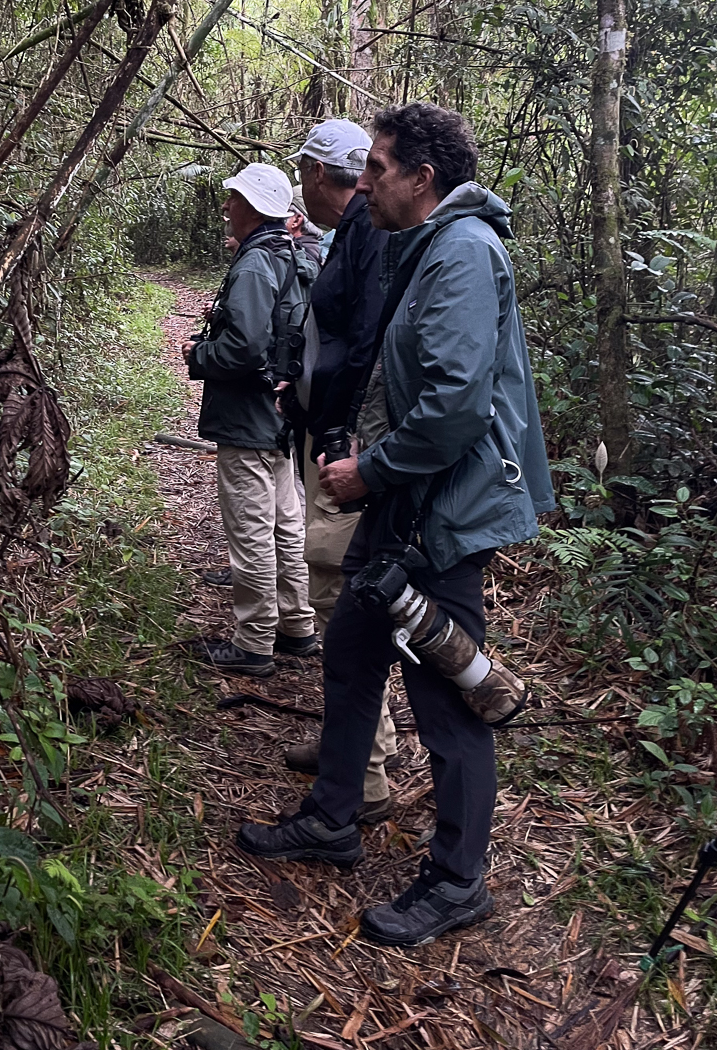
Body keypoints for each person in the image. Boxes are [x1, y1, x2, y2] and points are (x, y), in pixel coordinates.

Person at [236, 103, 554, 950]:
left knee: (446, 694)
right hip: (405, 505)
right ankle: (334, 817)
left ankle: (458, 881)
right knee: (350, 650)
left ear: (423, 178)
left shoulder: (462, 253)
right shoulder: (423, 245)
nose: (362, 181)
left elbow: (454, 406)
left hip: (441, 515)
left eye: (376, 168)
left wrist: (369, 470)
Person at [280, 118, 399, 825]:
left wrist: (334, 430)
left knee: (335, 593)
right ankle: (350, 744)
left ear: (320, 174)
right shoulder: (353, 232)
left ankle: (367, 771)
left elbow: (366, 347)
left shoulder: (370, 232)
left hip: (345, 446)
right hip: (334, 434)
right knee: (336, 593)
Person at [184, 163, 318, 677]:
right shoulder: (290, 254)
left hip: (248, 419)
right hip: (281, 416)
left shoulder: (256, 264)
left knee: (252, 531)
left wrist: (199, 355)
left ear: (255, 208)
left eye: (234, 199)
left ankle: (254, 643)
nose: (226, 207)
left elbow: (243, 348)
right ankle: (297, 626)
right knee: (286, 524)